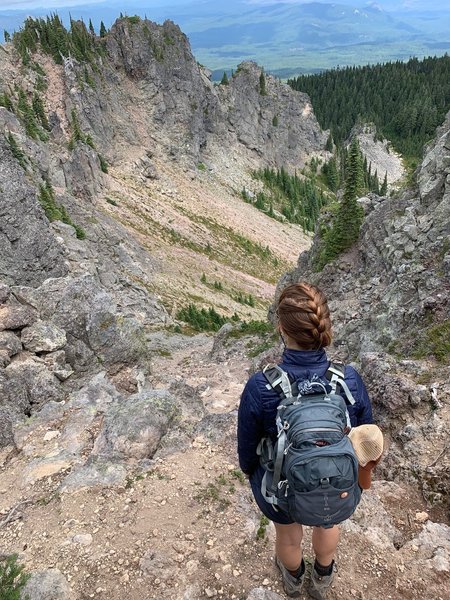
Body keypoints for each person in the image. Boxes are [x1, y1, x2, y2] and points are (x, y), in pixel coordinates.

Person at [237, 282, 373, 599]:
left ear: (282, 328)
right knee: (328, 523)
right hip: (334, 480)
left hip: (281, 483)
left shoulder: (261, 385)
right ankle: (322, 579)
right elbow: (366, 432)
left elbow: (247, 447)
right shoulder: (349, 378)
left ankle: (294, 580)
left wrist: (249, 472)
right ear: (323, 325)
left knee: (287, 534)